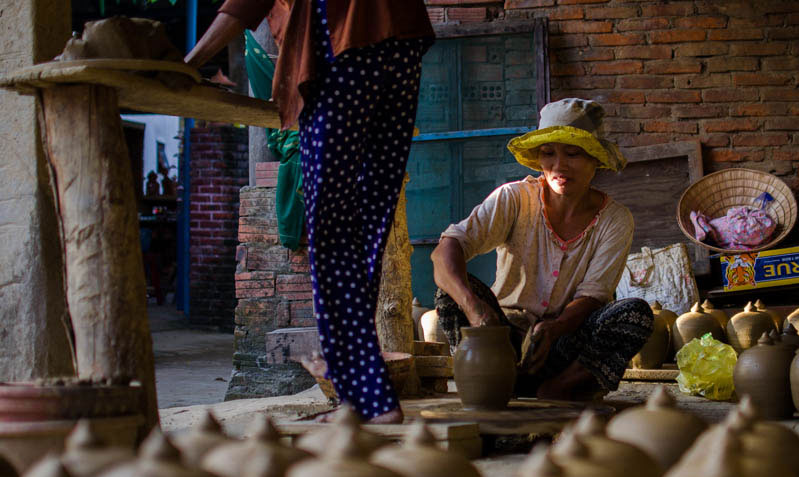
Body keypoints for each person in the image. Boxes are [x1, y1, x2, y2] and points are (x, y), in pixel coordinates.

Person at [185, 0, 434, 423]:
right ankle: (367, 396)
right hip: (402, 42)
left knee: (332, 232)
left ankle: (367, 402)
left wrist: (188, 63)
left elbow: (244, 5)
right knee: (371, 223)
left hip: (344, 45)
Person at [431, 98, 653, 402]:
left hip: (561, 344)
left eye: (572, 153)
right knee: (450, 291)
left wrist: (555, 327)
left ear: (595, 159)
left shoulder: (615, 219)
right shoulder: (514, 199)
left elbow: (592, 297)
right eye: (548, 154)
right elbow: (445, 250)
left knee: (635, 314)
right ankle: (491, 383)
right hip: (503, 336)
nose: (558, 166)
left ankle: (559, 389)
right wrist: (476, 309)